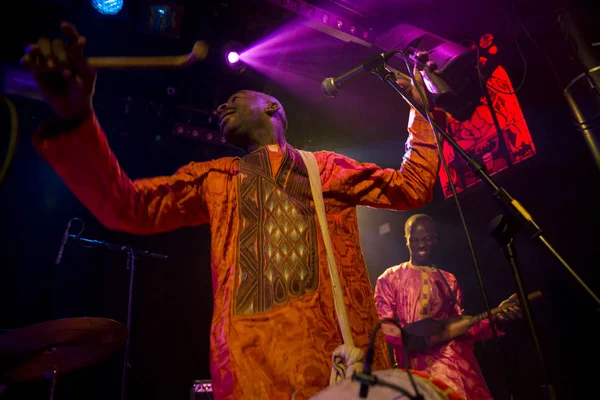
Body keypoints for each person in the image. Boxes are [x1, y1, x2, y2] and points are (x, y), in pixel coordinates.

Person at [23, 22, 443, 400]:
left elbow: (413, 186)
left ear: (273, 108)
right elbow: (127, 207)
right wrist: (77, 117)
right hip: (249, 377)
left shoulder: (326, 169)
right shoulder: (214, 177)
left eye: (236, 98)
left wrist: (421, 113)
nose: (219, 107)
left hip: (339, 370)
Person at [374, 213, 522, 400]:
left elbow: (463, 328)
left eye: (426, 239)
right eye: (415, 239)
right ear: (406, 239)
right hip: (417, 371)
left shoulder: (449, 280)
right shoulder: (390, 277)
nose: (421, 245)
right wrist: (413, 337)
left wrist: (496, 317)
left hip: (457, 370)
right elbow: (384, 327)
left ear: (434, 240)